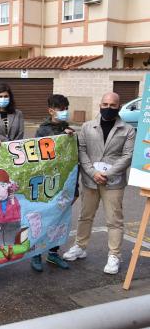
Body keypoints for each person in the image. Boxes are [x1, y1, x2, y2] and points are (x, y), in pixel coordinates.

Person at [63, 92, 135, 275]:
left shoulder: (127, 130)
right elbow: (82, 150)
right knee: (85, 216)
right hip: (90, 180)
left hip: (114, 182)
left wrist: (107, 173)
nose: (108, 108)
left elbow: (127, 156)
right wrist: (93, 172)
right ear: (100, 105)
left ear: (119, 106)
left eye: (112, 105)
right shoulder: (87, 127)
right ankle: (80, 246)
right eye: (105, 104)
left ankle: (114, 255)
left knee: (114, 220)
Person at [30, 94, 75, 272]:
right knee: (42, 217)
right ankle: (36, 254)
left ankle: (53, 253)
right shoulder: (43, 130)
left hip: (62, 181)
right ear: (51, 110)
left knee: (59, 217)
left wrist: (69, 137)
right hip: (46, 181)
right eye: (61, 109)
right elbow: (37, 154)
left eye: (66, 108)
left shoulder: (67, 128)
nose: (64, 112)